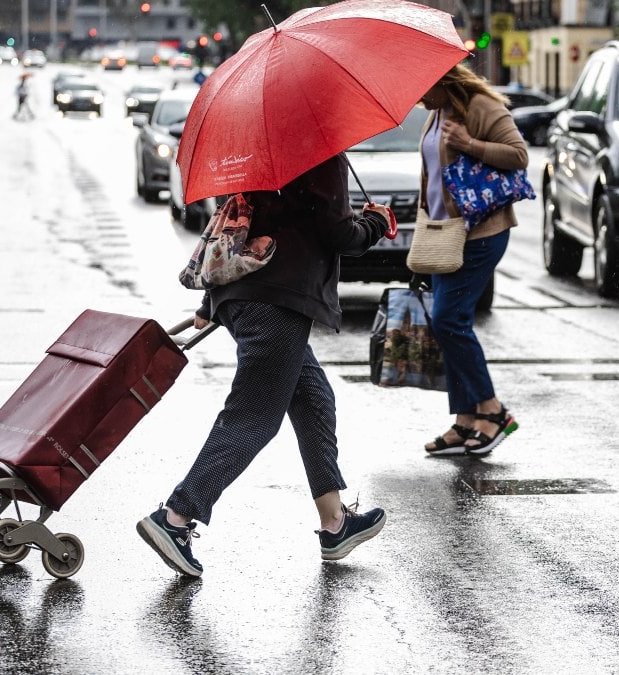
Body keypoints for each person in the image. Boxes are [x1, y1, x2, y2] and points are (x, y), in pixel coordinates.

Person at [137, 153, 393, 578]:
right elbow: (338, 234)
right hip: (277, 303)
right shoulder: (321, 156)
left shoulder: (256, 151)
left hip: (242, 296)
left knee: (313, 399)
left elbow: (238, 221)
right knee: (253, 418)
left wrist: (210, 302)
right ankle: (177, 517)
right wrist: (375, 223)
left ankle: (335, 523)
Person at [417, 63, 529, 457]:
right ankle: (465, 420)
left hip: (481, 232)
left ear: (443, 79)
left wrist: (470, 144)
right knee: (448, 322)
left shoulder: (480, 106)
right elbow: (432, 178)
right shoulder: (436, 113)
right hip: (444, 236)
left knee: (450, 319)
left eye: (423, 87)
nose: (418, 97)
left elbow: (519, 155)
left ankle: (492, 411)